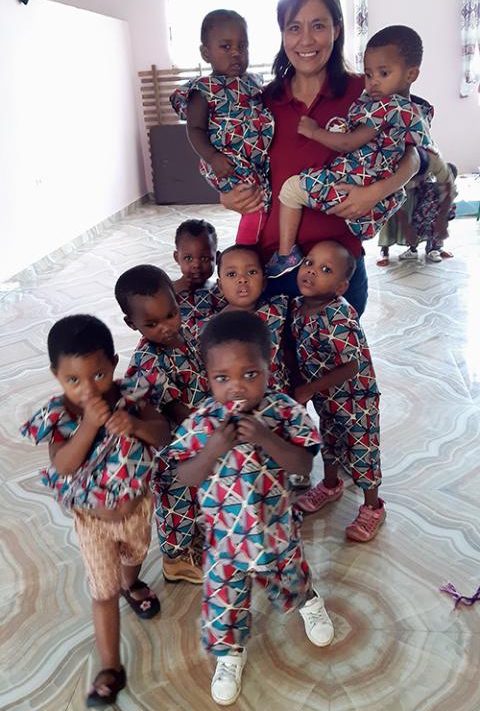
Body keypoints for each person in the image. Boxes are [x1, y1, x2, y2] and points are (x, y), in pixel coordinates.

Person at [219, 0, 420, 316]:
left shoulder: (368, 91)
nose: (306, 40)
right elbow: (234, 165)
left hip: (338, 267)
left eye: (318, 26)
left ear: (337, 29)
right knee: (278, 367)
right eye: (294, 28)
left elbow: (416, 155)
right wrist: (227, 195)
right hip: (274, 268)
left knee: (336, 363)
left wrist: (376, 192)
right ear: (282, 34)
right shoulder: (262, 102)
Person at [171, 310, 334, 706]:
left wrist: (264, 437)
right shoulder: (202, 422)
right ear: (208, 376)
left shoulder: (282, 412)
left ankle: (310, 603)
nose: (237, 388)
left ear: (269, 364)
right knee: (223, 604)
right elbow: (184, 477)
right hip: (225, 543)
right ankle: (229, 655)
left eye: (250, 374)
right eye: (222, 378)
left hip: (276, 531)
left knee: (291, 581)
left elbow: (302, 465)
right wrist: (213, 449)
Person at [20, 315, 170, 707]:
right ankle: (110, 666)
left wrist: (135, 426)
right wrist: (88, 425)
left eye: (99, 374)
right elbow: (64, 465)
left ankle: (131, 583)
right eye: (74, 380)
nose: (88, 389)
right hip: (93, 522)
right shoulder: (60, 417)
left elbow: (163, 434)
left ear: (115, 364)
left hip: (137, 509)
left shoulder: (133, 397)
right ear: (56, 376)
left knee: (135, 555)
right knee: (102, 592)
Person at [267, 25, 437, 278]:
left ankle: (285, 254)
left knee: (292, 190)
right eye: (369, 74)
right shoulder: (408, 108)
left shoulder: (379, 103)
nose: (374, 81)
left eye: (318, 25)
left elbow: (352, 144)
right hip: (357, 189)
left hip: (355, 185)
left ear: (336, 29)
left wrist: (314, 132)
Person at [115, 265, 207, 585]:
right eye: (151, 324)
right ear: (132, 324)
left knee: (198, 496)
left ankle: (195, 541)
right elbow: (175, 411)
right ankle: (175, 560)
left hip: (200, 436)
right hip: (173, 451)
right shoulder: (148, 363)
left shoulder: (188, 335)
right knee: (177, 503)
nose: (166, 327)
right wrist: (214, 426)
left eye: (170, 315)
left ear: (176, 301)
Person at [290, 242, 385, 543]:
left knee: (362, 450)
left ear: (341, 287)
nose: (311, 272)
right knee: (329, 439)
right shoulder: (297, 307)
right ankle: (330, 485)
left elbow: (352, 365)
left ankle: (373, 507)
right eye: (308, 262)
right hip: (328, 399)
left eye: (325, 270)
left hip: (357, 399)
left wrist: (308, 388)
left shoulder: (339, 316)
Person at [170, 9, 274, 244]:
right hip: (227, 162)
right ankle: (245, 249)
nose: (236, 53)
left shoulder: (253, 81)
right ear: (206, 53)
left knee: (268, 203)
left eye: (243, 46)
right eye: (226, 47)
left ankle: (262, 245)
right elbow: (195, 130)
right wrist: (213, 157)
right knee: (255, 203)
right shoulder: (204, 89)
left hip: (255, 161)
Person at [216, 243, 290, 394]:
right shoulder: (215, 327)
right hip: (238, 402)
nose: (242, 279)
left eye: (251, 272)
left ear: (263, 282)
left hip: (279, 399)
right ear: (220, 286)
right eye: (232, 274)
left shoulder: (276, 310)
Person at [377, 154, 457, 265]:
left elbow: (450, 192)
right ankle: (384, 251)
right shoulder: (394, 158)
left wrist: (443, 216)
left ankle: (433, 249)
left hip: (417, 195)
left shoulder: (435, 163)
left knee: (424, 227)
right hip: (394, 188)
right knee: (390, 219)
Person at [172, 218, 225, 330]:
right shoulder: (169, 291)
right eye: (188, 258)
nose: (196, 265)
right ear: (177, 258)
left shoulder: (222, 292)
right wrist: (174, 289)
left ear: (217, 258)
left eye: (205, 258)